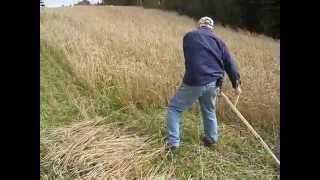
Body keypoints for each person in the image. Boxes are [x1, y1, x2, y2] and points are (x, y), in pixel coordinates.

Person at [166, 16, 242, 150]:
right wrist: (236, 85)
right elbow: (229, 64)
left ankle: (173, 143)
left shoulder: (189, 36)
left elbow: (192, 57)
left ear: (199, 25)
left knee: (174, 108)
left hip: (195, 80)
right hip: (214, 82)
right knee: (209, 110)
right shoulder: (220, 42)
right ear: (211, 28)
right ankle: (211, 139)